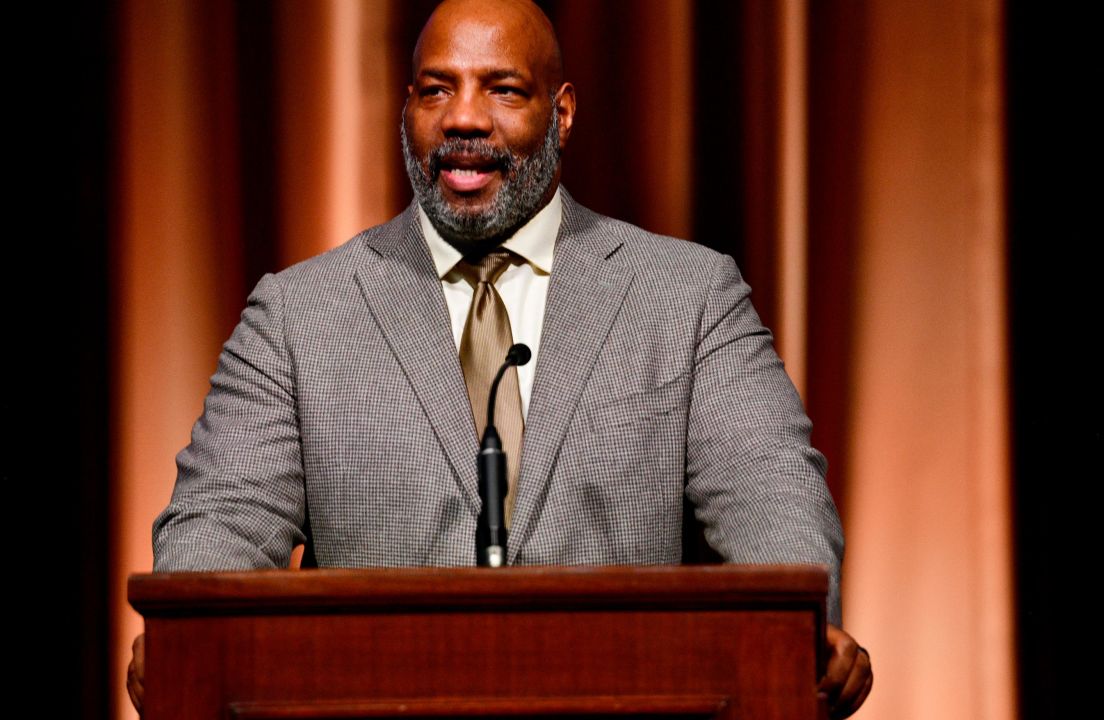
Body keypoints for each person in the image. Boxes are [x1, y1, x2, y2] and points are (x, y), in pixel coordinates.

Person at [130, 0, 872, 716]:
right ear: (406, 109)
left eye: (504, 89)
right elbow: (220, 524)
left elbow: (774, 504)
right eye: (436, 90)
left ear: (563, 111)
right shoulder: (298, 317)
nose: (463, 119)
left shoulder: (689, 297)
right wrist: (183, 632)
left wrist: (805, 629)